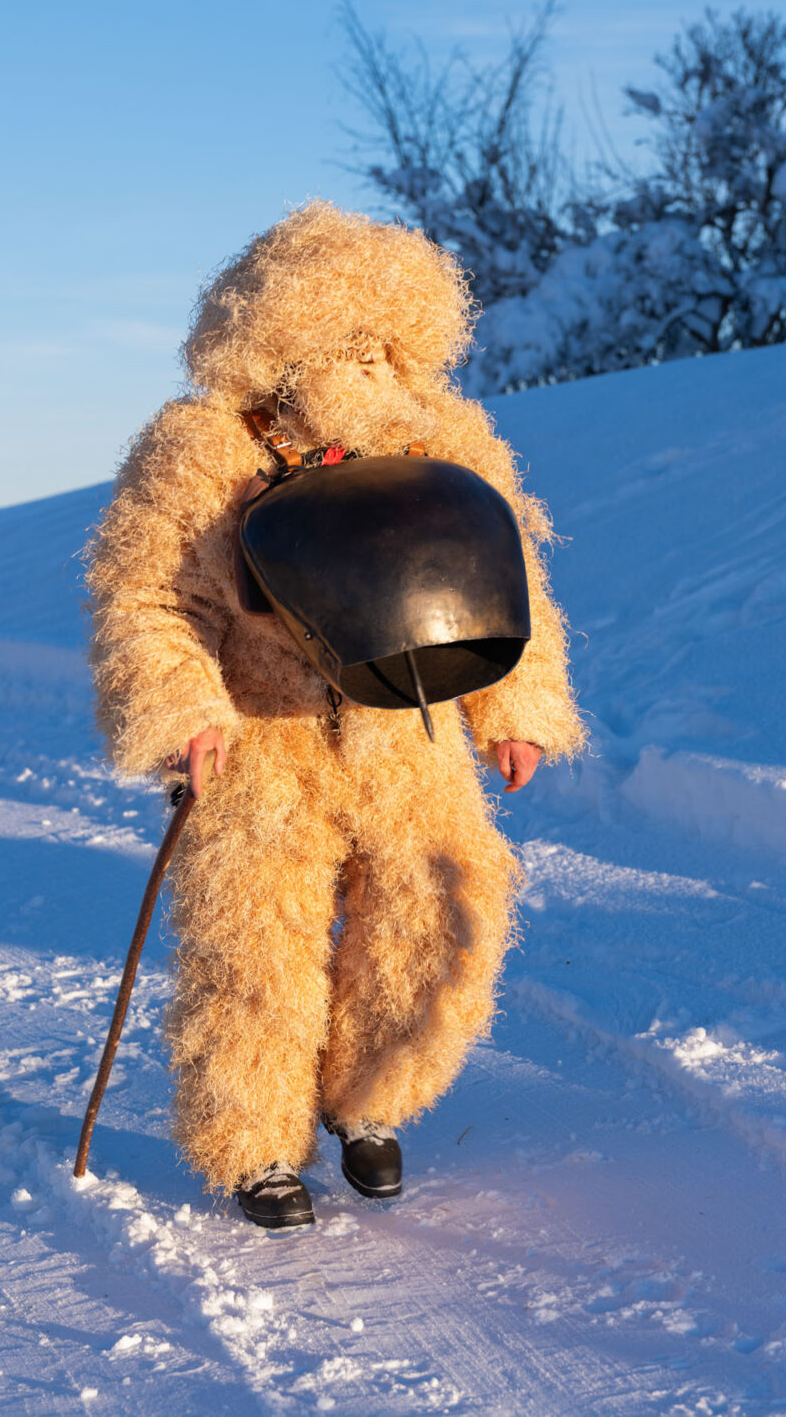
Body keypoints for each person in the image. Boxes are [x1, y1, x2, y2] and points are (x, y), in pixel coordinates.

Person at [86, 202, 583, 1228]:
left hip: (408, 727)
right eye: (339, 347)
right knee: (253, 935)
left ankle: (374, 1099)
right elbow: (149, 595)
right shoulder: (204, 446)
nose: (363, 373)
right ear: (270, 336)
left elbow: (497, 579)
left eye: (381, 349)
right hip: (257, 737)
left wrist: (514, 707)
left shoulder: (442, 435)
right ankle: (255, 1143)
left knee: (434, 906)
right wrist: (183, 708)